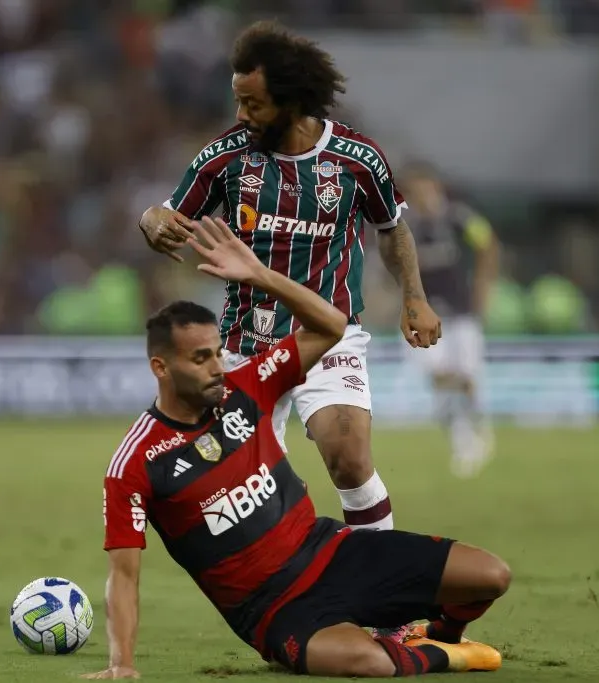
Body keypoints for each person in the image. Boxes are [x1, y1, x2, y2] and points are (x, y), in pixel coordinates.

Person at [85, 216, 509, 680]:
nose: (214, 367)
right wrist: (120, 665)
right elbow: (124, 575)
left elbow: (332, 325)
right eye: (199, 358)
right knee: (367, 663)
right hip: (274, 611)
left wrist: (260, 275)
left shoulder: (244, 387)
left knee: (492, 576)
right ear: (160, 368)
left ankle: (443, 634)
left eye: (215, 352)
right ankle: (451, 657)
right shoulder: (137, 461)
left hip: (334, 553)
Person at [137, 25, 442, 636]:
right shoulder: (225, 157)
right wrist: (152, 222)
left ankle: (385, 609)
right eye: (237, 100)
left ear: (293, 100)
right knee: (247, 488)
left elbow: (394, 228)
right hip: (246, 347)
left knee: (349, 457)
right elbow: (167, 213)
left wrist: (415, 298)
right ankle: (292, 606)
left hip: (328, 336)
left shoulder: (358, 159)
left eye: (253, 103)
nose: (241, 114)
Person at [397, 163, 500, 478]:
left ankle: (477, 432)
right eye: (415, 192)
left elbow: (488, 245)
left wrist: (484, 288)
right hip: (427, 316)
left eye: (425, 190)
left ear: (436, 188)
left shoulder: (459, 218)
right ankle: (464, 442)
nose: (422, 197)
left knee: (466, 379)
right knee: (439, 375)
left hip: (462, 313)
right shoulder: (407, 225)